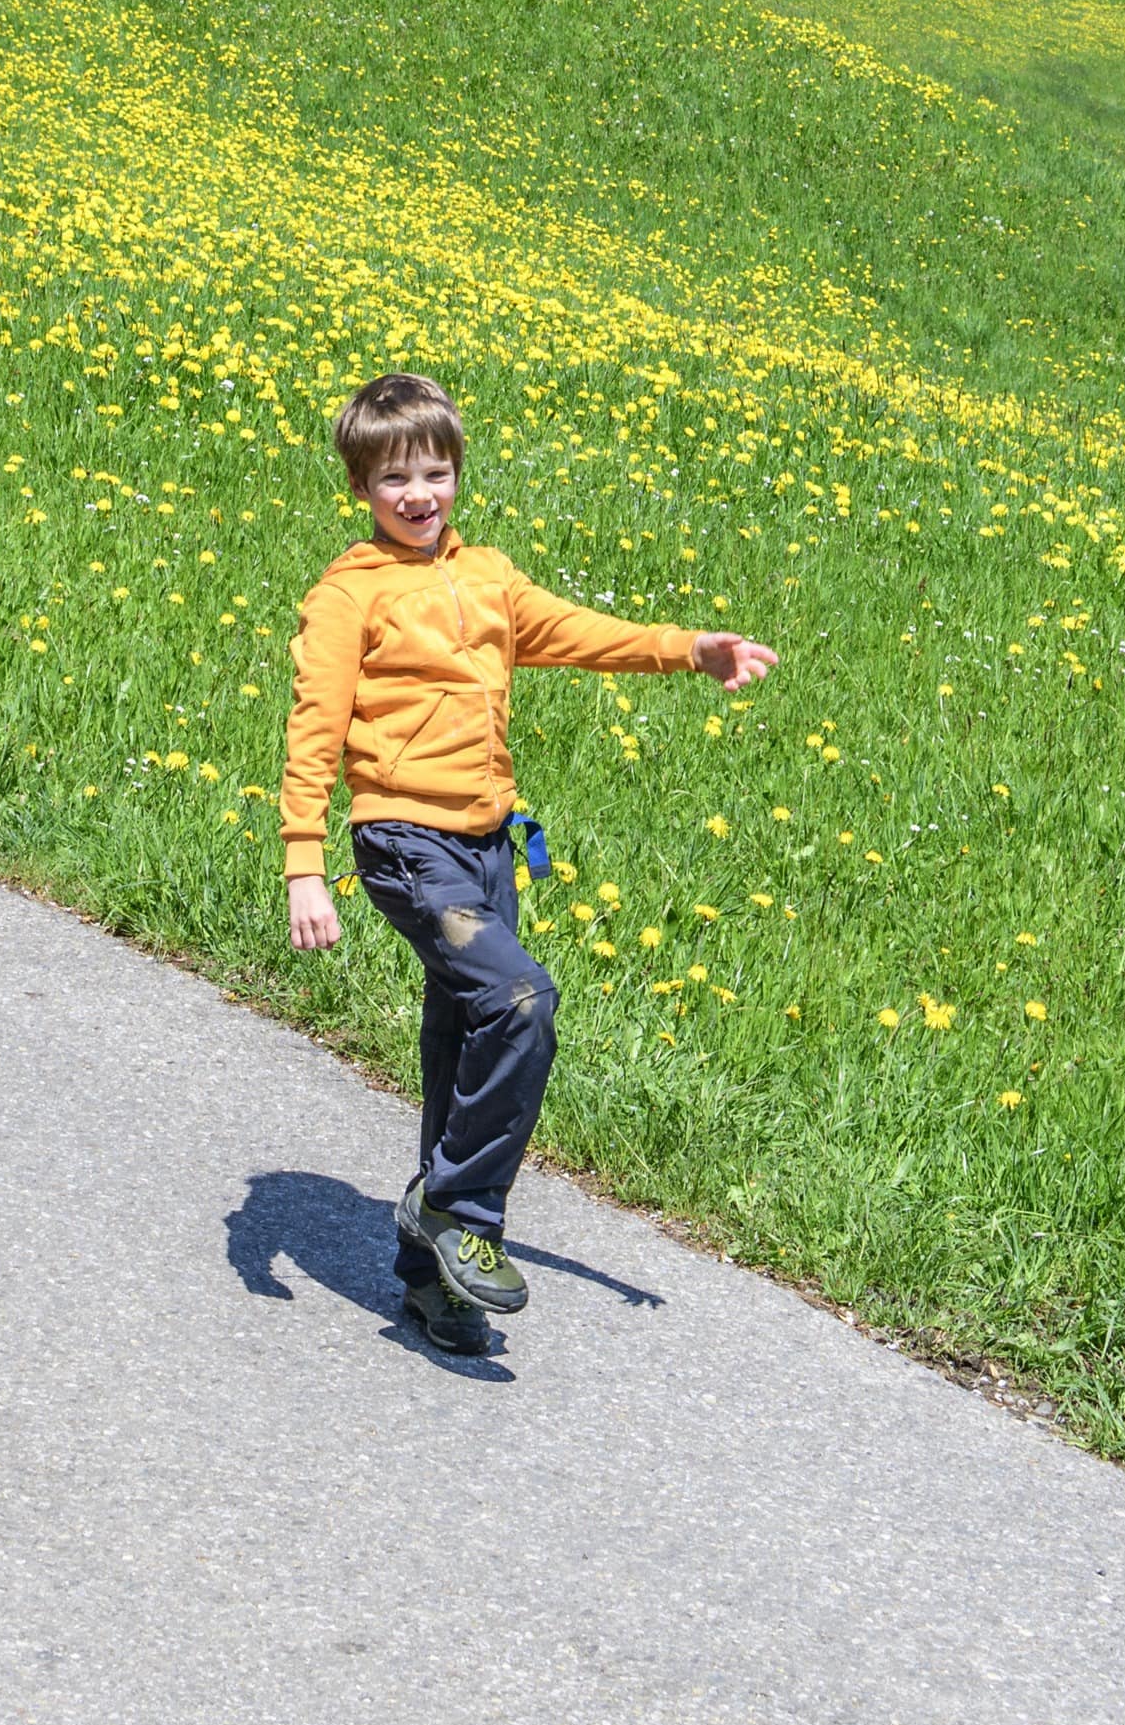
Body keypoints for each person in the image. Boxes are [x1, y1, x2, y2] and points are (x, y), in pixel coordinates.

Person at [281, 370, 777, 1357]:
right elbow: (313, 725)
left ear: (458, 470)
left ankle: (431, 1283)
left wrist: (689, 648)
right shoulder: (350, 595)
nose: (418, 494)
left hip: (484, 841)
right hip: (402, 840)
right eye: (394, 479)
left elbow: (580, 633)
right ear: (359, 489)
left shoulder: (491, 577)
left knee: (461, 1040)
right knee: (518, 1000)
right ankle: (463, 1211)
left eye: (435, 471)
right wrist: (303, 859)